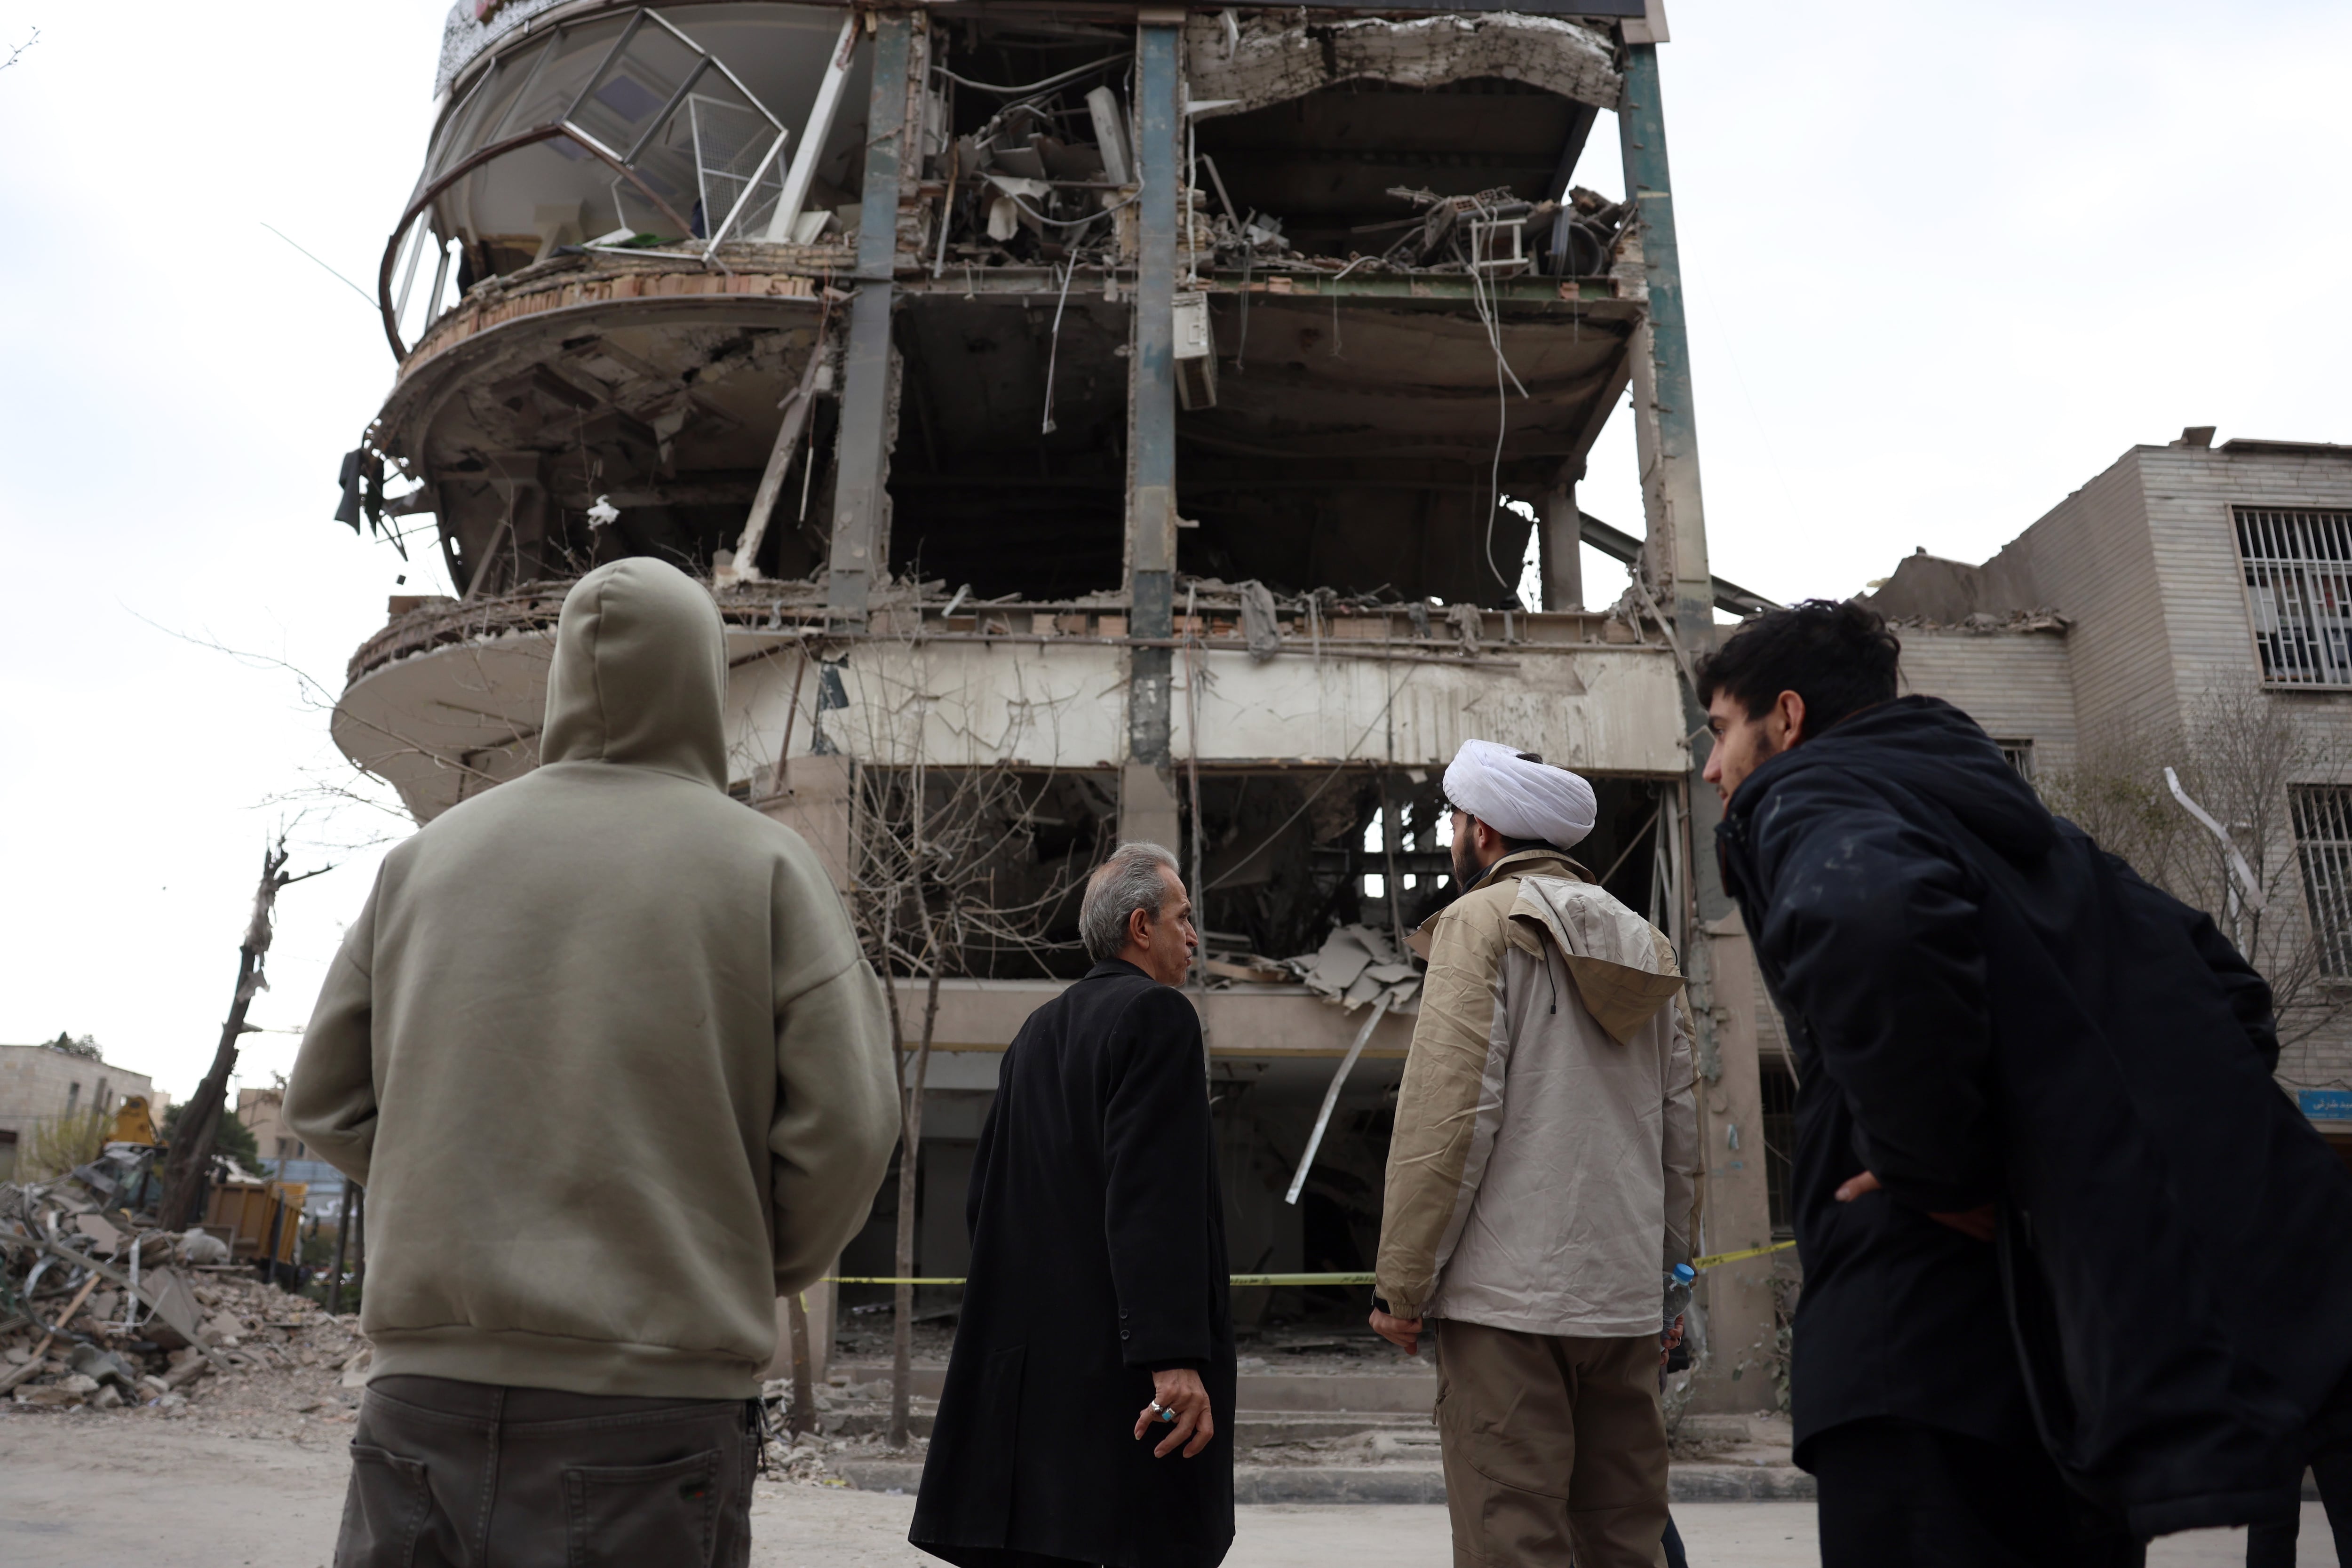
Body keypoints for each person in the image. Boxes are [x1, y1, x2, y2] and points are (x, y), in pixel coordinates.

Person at [1701, 599, 2352, 1562]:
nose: (1712, 768)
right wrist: (2064, 1158)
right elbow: (2227, 991)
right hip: (2062, 1363)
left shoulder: (1814, 794)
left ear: (1786, 717)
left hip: (1912, 1348)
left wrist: (1938, 1167)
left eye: (1717, 731)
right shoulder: (2029, 833)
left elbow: (1867, 917)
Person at [285, 557, 901, 1567]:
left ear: (563, 673)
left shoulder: (427, 861)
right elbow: (853, 1122)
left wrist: (450, 1193)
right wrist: (736, 1252)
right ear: (702, 678)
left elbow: (324, 1097)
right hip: (651, 1412)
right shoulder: (765, 864)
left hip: (419, 1405)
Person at [1369, 739, 1700, 1568]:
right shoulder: (1648, 941)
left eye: (1453, 816)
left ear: (1480, 830)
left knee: (1513, 1543)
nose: (1452, 830)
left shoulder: (1479, 923)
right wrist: (1670, 1286)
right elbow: (1681, 1136)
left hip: (1505, 1311)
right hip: (1623, 1308)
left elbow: (1449, 1118)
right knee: (1627, 1542)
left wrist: (1403, 1286)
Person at [911, 843, 1234, 1568]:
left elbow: (984, 1202)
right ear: (1141, 926)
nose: (1194, 936)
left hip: (1036, 1392)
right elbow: (1154, 1196)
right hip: (1123, 1391)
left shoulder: (1035, 1033)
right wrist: (1173, 1357)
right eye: (1185, 918)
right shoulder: (1159, 1016)